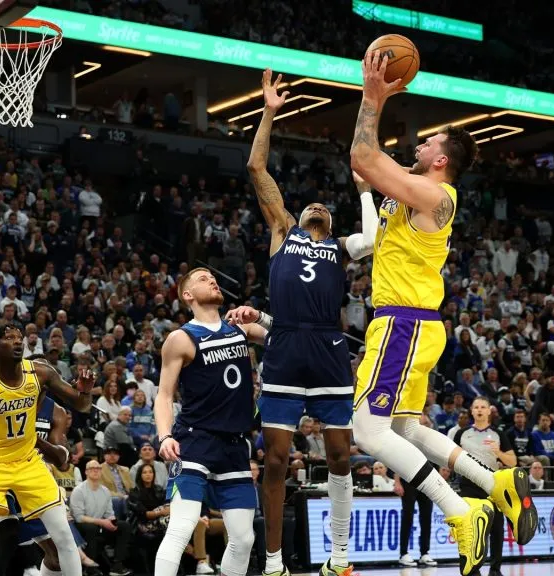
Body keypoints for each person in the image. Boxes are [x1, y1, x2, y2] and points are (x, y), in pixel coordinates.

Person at [349, 49, 535, 576]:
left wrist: (373, 95)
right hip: (411, 324)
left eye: (428, 143)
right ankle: (494, 482)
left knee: (367, 431)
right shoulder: (414, 192)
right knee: (405, 428)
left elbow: (363, 156)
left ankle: (461, 512)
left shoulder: (436, 197)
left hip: (403, 323)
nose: (419, 145)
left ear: (439, 161)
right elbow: (364, 163)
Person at [243, 68, 377, 576]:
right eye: (311, 204)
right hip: (285, 346)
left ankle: (339, 558)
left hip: (327, 348)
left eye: (325, 205)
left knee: (340, 455)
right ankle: (274, 562)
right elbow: (256, 166)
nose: (317, 204)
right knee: (276, 458)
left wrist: (363, 190)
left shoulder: (339, 247)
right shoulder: (283, 229)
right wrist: (268, 112)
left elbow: (374, 239)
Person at [0, 323, 96, 576]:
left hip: (28, 463)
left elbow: (82, 405)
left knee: (64, 537)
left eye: (19, 337)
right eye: (9, 337)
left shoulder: (40, 374)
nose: (17, 341)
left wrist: (85, 392)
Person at [154, 268, 267, 576]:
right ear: (187, 295)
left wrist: (259, 316)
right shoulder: (181, 338)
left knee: (244, 538)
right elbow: (164, 395)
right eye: (203, 279)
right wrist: (164, 436)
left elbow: (286, 338)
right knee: (182, 526)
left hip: (235, 443)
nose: (213, 280)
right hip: (195, 440)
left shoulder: (240, 327)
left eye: (213, 278)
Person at [453, 398, 516, 576]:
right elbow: (449, 458)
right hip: (469, 486)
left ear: (489, 411)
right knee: (471, 530)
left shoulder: (498, 434)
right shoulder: (461, 434)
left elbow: (512, 461)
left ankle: (495, 570)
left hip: (492, 486)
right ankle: (472, 569)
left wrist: (498, 453)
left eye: (483, 407)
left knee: (496, 529)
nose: (479, 410)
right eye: (476, 407)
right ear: (471, 411)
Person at [397, 415, 437, 568]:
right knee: (407, 517)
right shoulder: (406, 437)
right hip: (408, 480)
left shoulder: (431, 440)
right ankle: (403, 553)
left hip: (427, 480)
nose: (425, 424)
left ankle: (425, 553)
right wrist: (397, 481)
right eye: (423, 422)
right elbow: (396, 459)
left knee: (426, 517)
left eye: (427, 422)